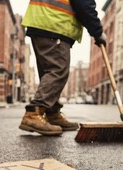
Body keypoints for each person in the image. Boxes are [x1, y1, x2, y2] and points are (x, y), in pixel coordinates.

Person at [19, 0, 107, 136]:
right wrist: (98, 31)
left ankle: (52, 113)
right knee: (58, 70)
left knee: (49, 72)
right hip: (54, 24)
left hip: (42, 21)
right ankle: (33, 113)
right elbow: (84, 4)